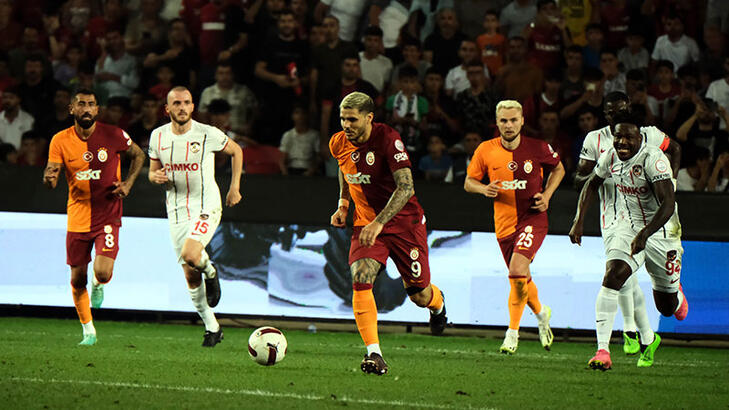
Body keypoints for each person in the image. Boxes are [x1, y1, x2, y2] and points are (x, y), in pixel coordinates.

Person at [329, 91, 447, 375]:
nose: (346, 125)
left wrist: (379, 223)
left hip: (405, 224)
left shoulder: (388, 139)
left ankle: (438, 305)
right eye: (343, 118)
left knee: (419, 295)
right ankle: (374, 353)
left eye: (352, 119)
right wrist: (343, 204)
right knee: (361, 276)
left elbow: (406, 188)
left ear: (369, 118)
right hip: (366, 224)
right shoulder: (338, 142)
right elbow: (345, 169)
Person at [570, 110, 689, 370]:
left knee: (667, 307)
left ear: (640, 138)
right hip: (628, 226)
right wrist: (579, 220)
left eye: (628, 137)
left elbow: (668, 205)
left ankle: (676, 295)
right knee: (613, 275)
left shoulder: (653, 159)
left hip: (662, 232)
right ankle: (602, 351)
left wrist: (646, 234)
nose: (622, 142)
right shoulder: (610, 156)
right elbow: (592, 183)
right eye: (618, 137)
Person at [42, 88, 145, 345]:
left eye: (91, 104)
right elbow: (51, 174)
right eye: (81, 104)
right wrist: (49, 179)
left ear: (97, 110)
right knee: (77, 279)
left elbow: (139, 154)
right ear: (72, 109)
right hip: (77, 216)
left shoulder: (114, 134)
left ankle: (99, 285)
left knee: (103, 272)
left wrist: (128, 184)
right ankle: (88, 331)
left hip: (107, 214)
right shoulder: (60, 140)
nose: (86, 108)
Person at [464, 100, 565, 354]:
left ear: (522, 121)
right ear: (497, 123)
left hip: (533, 218)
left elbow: (559, 169)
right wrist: (483, 189)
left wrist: (547, 195)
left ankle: (512, 333)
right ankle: (541, 314)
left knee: (517, 270)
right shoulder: (486, 149)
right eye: (504, 121)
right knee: (521, 279)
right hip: (504, 226)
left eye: (513, 120)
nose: (508, 125)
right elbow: (468, 182)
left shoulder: (538, 147)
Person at [147, 86, 243, 347]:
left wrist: (234, 187)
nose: (182, 107)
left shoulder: (207, 133)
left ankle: (211, 272)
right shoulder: (158, 136)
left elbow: (236, 151)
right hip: (176, 210)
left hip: (205, 205)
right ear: (167, 109)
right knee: (190, 274)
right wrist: (155, 176)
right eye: (177, 103)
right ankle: (212, 328)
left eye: (187, 103)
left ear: (192, 107)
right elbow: (153, 172)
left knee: (192, 255)